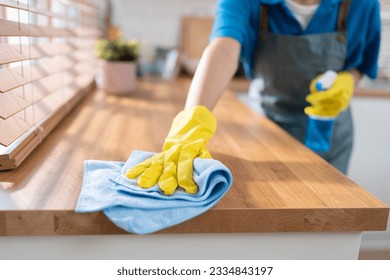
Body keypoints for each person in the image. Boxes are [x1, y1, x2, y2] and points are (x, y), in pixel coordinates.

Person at [126, 0, 381, 195]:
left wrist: (348, 81)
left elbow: (362, 65)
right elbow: (224, 49)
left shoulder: (362, 4)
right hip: (265, 131)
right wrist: (192, 120)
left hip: (329, 134)